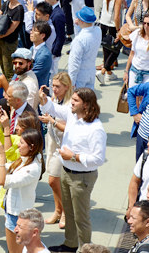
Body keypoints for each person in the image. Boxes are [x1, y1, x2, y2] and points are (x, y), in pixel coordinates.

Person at [42, 89, 106, 253]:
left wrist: (74, 157)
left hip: (82, 178)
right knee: (69, 212)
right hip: (66, 172)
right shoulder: (72, 114)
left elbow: (98, 159)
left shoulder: (95, 129)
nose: (71, 102)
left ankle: (85, 249)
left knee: (81, 218)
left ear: (86, 104)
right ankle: (70, 245)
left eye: (76, 100)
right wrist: (43, 98)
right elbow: (53, 108)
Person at [0, 127, 44, 253]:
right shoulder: (25, 159)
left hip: (18, 216)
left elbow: (2, 181)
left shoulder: (31, 169)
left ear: (31, 147)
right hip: (12, 212)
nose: (18, 145)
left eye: (21, 142)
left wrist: (2, 154)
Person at [38, 72, 73, 228]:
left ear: (67, 87)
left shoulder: (70, 104)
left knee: (53, 181)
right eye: (53, 86)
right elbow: (46, 110)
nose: (54, 89)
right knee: (55, 181)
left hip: (63, 146)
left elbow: (70, 128)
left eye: (58, 86)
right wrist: (43, 100)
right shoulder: (54, 99)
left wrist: (52, 121)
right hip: (51, 142)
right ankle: (58, 211)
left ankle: (66, 211)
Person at [97, 0, 124, 84]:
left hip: (103, 24)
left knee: (106, 49)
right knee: (116, 49)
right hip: (112, 26)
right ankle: (103, 71)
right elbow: (116, 17)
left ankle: (109, 73)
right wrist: (119, 30)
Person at [68, 7, 102, 89]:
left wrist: (71, 82)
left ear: (82, 21)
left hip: (80, 77)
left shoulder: (79, 40)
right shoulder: (98, 31)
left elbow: (74, 63)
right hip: (91, 73)